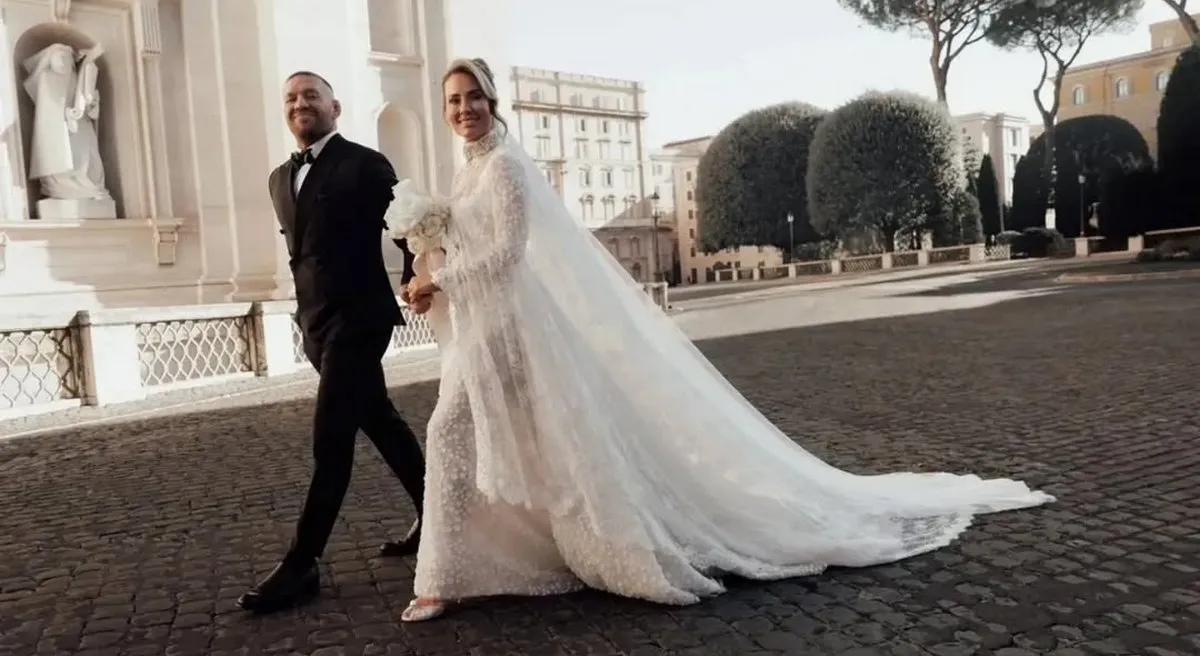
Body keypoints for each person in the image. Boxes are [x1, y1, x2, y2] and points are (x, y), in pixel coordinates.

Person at [398, 58, 1055, 623]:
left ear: (493, 101)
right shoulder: (466, 173)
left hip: (516, 328)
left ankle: (445, 578)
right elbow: (473, 248)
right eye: (453, 101)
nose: (463, 110)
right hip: (488, 325)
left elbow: (509, 254)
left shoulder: (506, 168)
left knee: (455, 430)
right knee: (510, 438)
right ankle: (500, 557)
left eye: (473, 97)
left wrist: (441, 281)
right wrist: (429, 269)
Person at [238, 71, 429, 614]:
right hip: (316, 327)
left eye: (311, 95)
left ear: (334, 107)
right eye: (292, 98)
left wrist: (415, 275)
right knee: (381, 421)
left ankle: (302, 562)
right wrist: (306, 325)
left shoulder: (365, 164)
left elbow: (407, 227)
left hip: (360, 320)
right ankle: (437, 513)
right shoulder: (279, 179)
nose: (300, 103)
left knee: (331, 440)